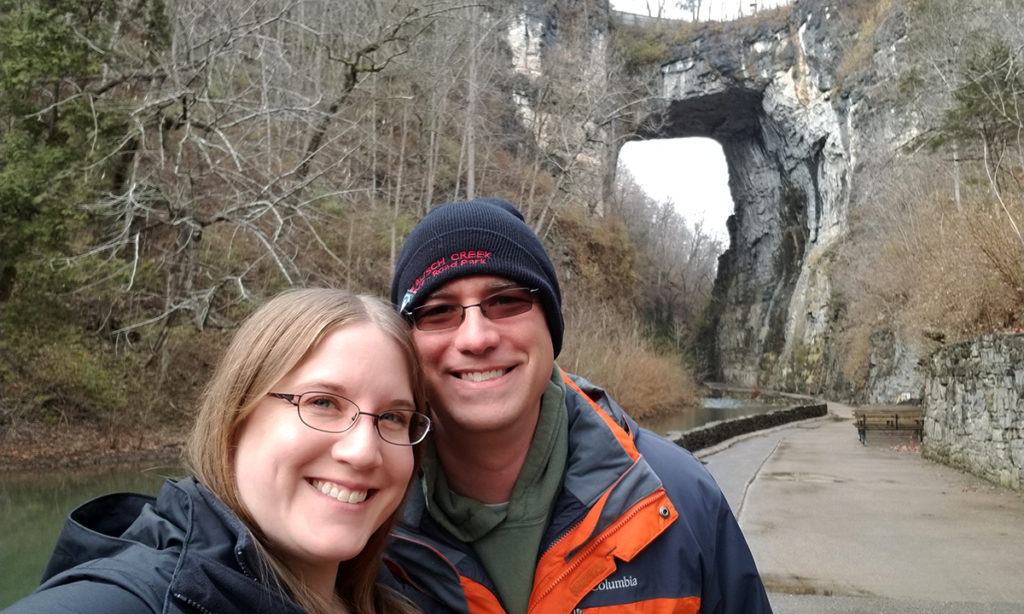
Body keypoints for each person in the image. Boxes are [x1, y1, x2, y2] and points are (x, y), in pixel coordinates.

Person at [382, 198, 773, 613]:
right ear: (406, 345)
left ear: (550, 327)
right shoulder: (361, 520)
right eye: (438, 311)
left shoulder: (684, 500)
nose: (476, 338)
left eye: (507, 301)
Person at [3, 289, 431, 614]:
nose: (363, 451)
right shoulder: (139, 597)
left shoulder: (402, 597)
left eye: (393, 417)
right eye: (321, 403)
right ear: (236, 419)